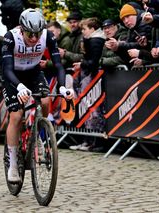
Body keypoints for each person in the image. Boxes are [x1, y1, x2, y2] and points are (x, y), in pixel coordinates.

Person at [1, 8, 75, 182]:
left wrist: (63, 87)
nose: (34, 39)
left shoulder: (48, 36)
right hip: (13, 75)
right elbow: (7, 69)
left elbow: (58, 65)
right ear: (21, 28)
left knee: (46, 100)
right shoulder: (11, 37)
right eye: (29, 34)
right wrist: (19, 87)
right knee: (17, 116)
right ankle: (12, 163)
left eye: (37, 34)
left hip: (33, 72)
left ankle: (40, 136)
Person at [70, 17, 106, 151]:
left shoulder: (96, 40)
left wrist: (82, 64)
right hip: (88, 78)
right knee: (87, 109)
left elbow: (94, 62)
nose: (82, 32)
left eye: (84, 29)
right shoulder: (91, 40)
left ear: (92, 29)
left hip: (92, 79)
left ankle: (93, 142)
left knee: (93, 110)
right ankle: (87, 140)